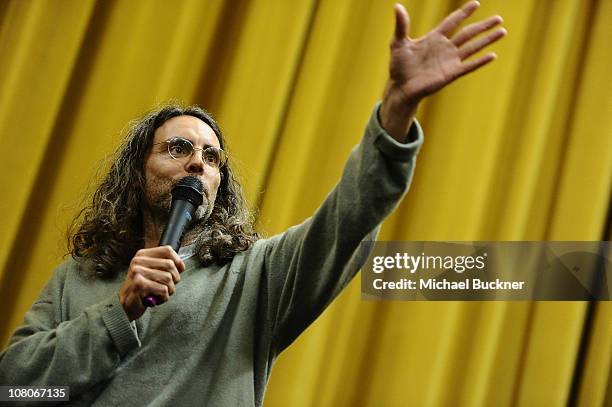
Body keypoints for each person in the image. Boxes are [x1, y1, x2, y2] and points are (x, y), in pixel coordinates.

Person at [0, 2, 505, 405]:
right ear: (138, 173)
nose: (198, 163)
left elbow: (349, 217)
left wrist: (396, 110)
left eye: (212, 157)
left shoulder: (254, 277)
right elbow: (16, 389)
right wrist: (118, 314)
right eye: (179, 148)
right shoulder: (77, 279)